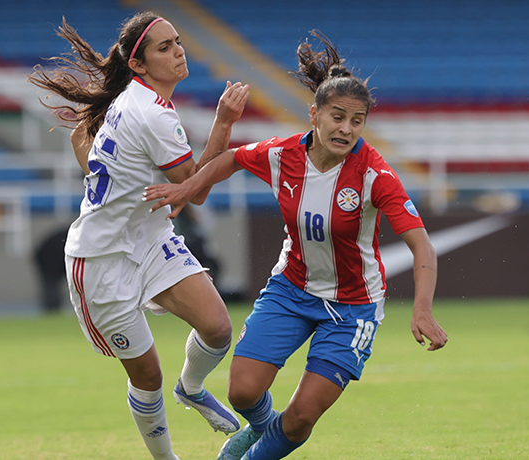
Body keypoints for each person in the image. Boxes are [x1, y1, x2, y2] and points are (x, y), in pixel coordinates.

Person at [143, 30, 448, 460]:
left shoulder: (374, 176)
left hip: (352, 307)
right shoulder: (283, 155)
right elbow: (231, 158)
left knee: (302, 416)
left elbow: (422, 247)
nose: (346, 129)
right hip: (291, 289)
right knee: (242, 392)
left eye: (356, 120)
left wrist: (422, 309)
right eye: (337, 116)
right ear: (315, 115)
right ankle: (265, 428)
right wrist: (188, 187)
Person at [28, 12, 250, 460]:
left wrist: (104, 178)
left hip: (149, 239)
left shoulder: (135, 100)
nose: (178, 51)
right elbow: (196, 190)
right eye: (164, 47)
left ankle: (190, 388)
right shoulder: (151, 114)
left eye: (178, 41)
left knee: (218, 327)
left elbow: (83, 144)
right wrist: (225, 122)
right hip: (101, 260)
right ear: (140, 65)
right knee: (147, 376)